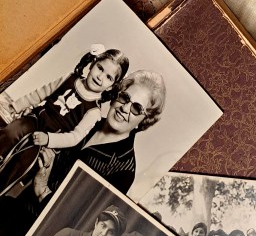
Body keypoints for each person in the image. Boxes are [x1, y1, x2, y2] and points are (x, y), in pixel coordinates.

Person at [0, 46, 129, 196]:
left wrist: (49, 139)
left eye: (109, 77)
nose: (100, 77)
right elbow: (41, 93)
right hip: (35, 120)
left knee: (24, 161)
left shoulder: (93, 112)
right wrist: (16, 106)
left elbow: (74, 137)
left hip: (48, 140)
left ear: (112, 86)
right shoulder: (69, 78)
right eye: (100, 68)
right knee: (13, 131)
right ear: (93, 63)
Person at [38, 71, 167, 202]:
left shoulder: (124, 170)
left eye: (136, 108)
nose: (124, 108)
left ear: (144, 121)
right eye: (125, 97)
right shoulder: (86, 116)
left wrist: (42, 191)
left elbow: (77, 213)